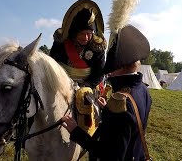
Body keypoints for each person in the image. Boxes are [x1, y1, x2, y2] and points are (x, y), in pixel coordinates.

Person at [62, 24, 152, 161]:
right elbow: (128, 126)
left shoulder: (121, 104)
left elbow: (108, 154)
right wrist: (108, 109)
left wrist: (76, 131)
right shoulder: (143, 89)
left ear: (120, 66)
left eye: (111, 67)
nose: (109, 72)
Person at [49, 0, 107, 88]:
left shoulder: (97, 47)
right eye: (82, 34)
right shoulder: (61, 43)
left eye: (89, 34)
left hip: (87, 88)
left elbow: (99, 73)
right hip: (60, 85)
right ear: (74, 33)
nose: (86, 38)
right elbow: (52, 63)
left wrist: (85, 87)